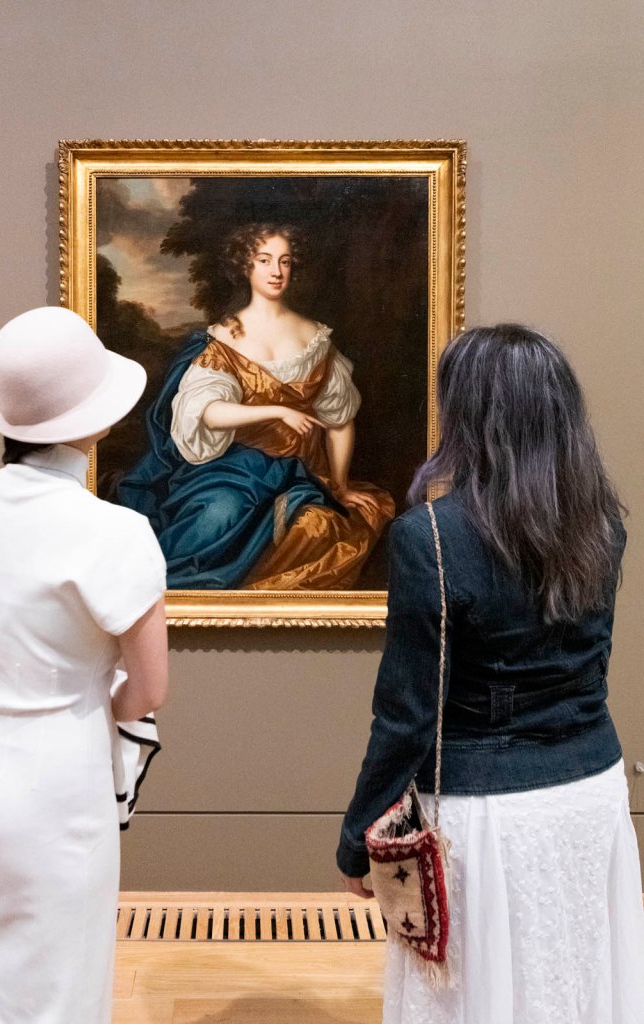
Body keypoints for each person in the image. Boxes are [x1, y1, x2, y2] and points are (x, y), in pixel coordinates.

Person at [336, 324, 644, 1024]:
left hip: (484, 814)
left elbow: (407, 714)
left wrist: (358, 836)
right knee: (576, 982)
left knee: (478, 997)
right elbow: (586, 670)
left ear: (467, 415)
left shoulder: (431, 537)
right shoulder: (603, 523)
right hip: (590, 795)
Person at [0, 307, 169, 1024]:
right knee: (61, 978)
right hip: (59, 776)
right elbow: (150, 687)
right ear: (89, 421)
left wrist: (6, 683)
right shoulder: (116, 531)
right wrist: (84, 701)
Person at [117, 223, 395, 589]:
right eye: (264, 260)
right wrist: (276, 411)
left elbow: (340, 421)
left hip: (299, 473)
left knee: (319, 528)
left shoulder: (316, 340)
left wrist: (341, 486)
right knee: (218, 514)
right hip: (232, 470)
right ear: (245, 267)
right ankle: (150, 592)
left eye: (284, 261)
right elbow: (209, 411)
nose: (276, 271)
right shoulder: (225, 339)